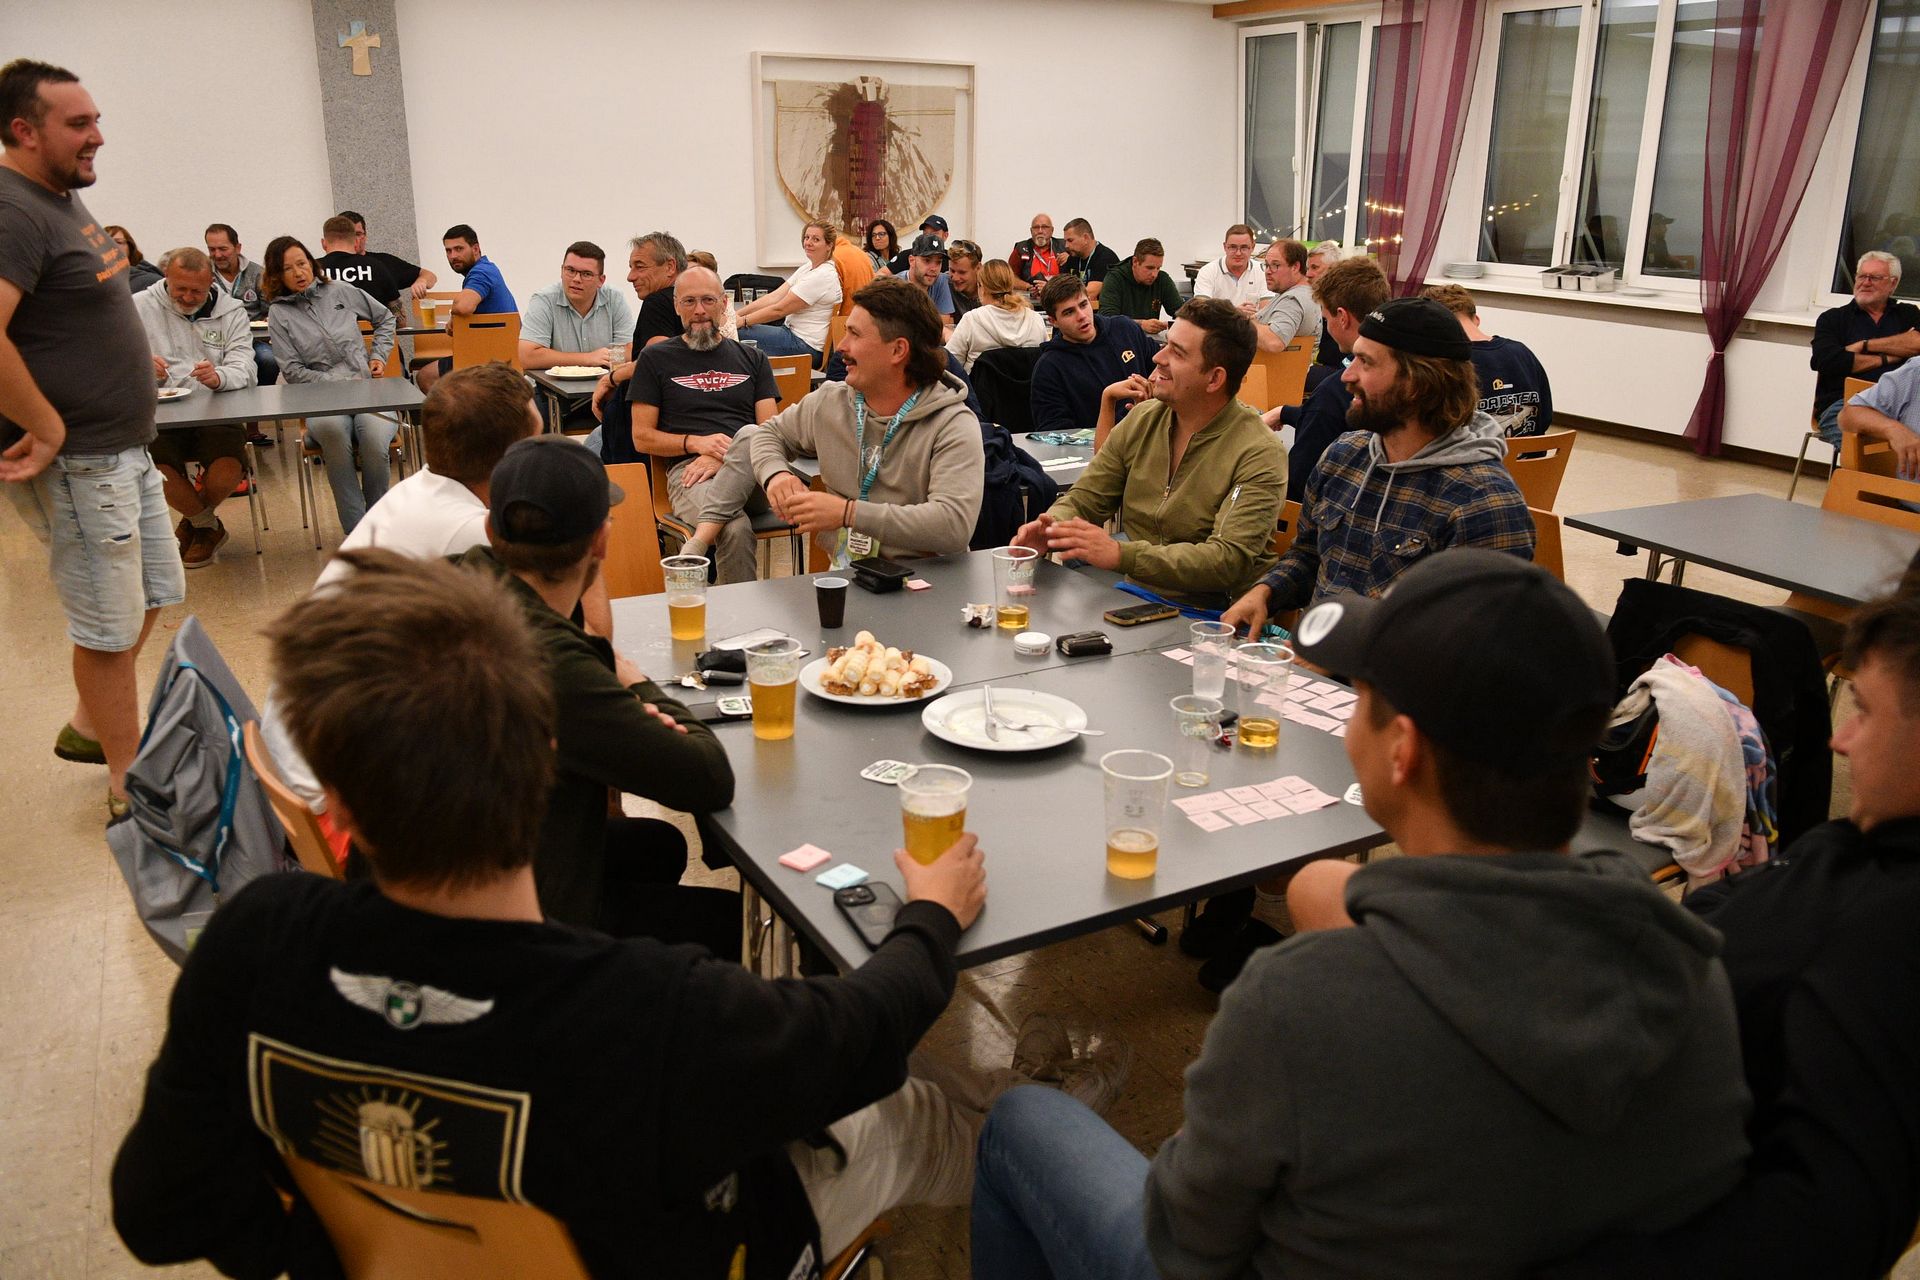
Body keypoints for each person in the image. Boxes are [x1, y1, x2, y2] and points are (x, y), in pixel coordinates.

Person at [110, 546, 998, 1280]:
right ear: (546, 761)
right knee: (921, 1114)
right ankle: (1033, 1141)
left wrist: (355, 1252)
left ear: (335, 805)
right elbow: (867, 1028)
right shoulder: (652, 1011)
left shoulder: (255, 941)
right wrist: (929, 917)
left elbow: (158, 1211)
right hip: (719, 1240)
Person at [972, 548, 1752, 1280]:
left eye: (1359, 697)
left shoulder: (1295, 1003)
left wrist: (1199, 1133)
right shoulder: (1695, 974)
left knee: (1021, 1121)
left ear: (1401, 750)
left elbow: (1185, 1242)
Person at [1544, 572, 1920, 1278]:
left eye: (1866, 712)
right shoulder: (1851, 851)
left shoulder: (1878, 943)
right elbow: (1728, 914)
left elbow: (1825, 1220)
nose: (1840, 742)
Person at [456, 436, 739, 946]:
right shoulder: (553, 663)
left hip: (457, 856)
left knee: (659, 845)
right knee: (732, 922)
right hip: (519, 921)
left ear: (490, 528)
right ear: (601, 542)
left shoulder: (459, 580)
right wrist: (632, 681)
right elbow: (708, 777)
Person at [0, 59, 184, 814]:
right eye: (78, 124)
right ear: (24, 130)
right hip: (80, 461)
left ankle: (88, 724)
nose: (97, 136)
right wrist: (45, 424)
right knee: (107, 629)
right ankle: (126, 783)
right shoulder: (12, 211)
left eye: (96, 120)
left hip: (123, 448)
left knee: (158, 591)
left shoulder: (59, 198)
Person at [1222, 295, 1534, 637]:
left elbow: (1472, 646)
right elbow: (1309, 555)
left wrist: (1342, 655)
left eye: (1366, 363)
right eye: (1353, 358)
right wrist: (1265, 592)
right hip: (1313, 657)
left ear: (1418, 383)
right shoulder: (1344, 455)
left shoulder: (1483, 501)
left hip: (1386, 671)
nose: (1347, 376)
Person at [687, 277, 983, 566]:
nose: (841, 346)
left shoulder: (951, 424)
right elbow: (767, 434)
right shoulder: (832, 401)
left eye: (854, 334)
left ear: (897, 350)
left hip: (927, 584)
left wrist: (848, 513)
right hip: (849, 576)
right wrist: (776, 475)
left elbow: (953, 526)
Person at [1011, 298, 1284, 609]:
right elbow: (1088, 496)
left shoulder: (1258, 452)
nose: (1157, 357)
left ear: (1214, 379)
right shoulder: (1144, 418)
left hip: (1216, 618)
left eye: (1177, 352)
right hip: (1138, 602)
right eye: (1166, 344)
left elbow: (1226, 560)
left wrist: (1120, 554)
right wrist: (1052, 526)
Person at [633, 265, 779, 584]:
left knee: (752, 433)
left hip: (751, 476)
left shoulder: (754, 359)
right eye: (689, 301)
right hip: (689, 474)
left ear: (724, 304)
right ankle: (738, 615)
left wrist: (724, 457)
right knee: (734, 527)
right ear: (676, 306)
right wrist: (696, 443)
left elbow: (771, 435)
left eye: (708, 300)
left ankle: (696, 546)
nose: (699, 310)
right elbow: (641, 437)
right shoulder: (655, 359)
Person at [262, 234, 400, 535]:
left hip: (365, 392)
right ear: (276, 275)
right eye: (288, 268)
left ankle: (377, 526)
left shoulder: (339, 291)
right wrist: (336, 381)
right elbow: (292, 370)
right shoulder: (279, 313)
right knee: (335, 438)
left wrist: (378, 355)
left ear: (312, 263)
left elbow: (385, 318)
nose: (298, 273)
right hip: (321, 400)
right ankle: (357, 534)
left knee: (375, 439)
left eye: (302, 263)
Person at [133, 246, 256, 566]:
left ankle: (194, 523)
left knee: (228, 465)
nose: (187, 297)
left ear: (210, 283)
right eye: (180, 289)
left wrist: (220, 376)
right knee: (153, 468)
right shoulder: (138, 306)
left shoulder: (231, 311)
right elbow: (113, 362)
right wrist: (141, 368)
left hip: (216, 408)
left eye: (196, 291)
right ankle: (207, 526)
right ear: (166, 277)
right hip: (161, 411)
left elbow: (247, 366)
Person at [1266, 254, 1390, 502]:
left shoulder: (1336, 391)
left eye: (1326, 317)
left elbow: (1296, 489)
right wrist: (1285, 412)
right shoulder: (1397, 375)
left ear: (1342, 317)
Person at [1809, 249, 1920, 446]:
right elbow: (1827, 361)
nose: (1865, 282)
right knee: (1869, 450)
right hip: (1844, 404)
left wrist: (1865, 345)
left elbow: (1916, 344)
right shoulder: (1833, 319)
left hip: (1899, 403)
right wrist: (1887, 357)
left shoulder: (1908, 314)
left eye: (1875, 277)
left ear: (1893, 283)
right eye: (1862, 276)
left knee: (1909, 443)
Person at [1030, 274, 1161, 435]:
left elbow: (1164, 366)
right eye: (1069, 312)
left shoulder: (1125, 329)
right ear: (1053, 321)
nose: (1081, 316)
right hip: (1099, 446)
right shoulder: (1049, 367)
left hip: (1151, 431)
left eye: (1083, 305)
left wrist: (1154, 389)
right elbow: (1055, 434)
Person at [1422, 283, 1554, 438]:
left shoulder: (1445, 363)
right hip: (1531, 453)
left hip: (1472, 453)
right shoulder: (1523, 352)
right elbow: (1544, 418)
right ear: (1477, 319)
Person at [592, 232, 687, 445]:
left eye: (640, 267)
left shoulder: (656, 302)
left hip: (644, 427)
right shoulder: (691, 306)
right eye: (631, 267)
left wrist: (611, 378)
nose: (630, 276)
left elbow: (659, 357)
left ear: (670, 267)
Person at [518, 240, 635, 396]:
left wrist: (604, 359)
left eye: (586, 274)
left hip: (603, 388)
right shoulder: (544, 300)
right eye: (570, 270)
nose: (576, 279)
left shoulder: (614, 298)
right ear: (561, 271)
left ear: (601, 280)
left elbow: (629, 350)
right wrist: (587, 359)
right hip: (549, 392)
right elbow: (527, 356)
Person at [415, 223, 517, 393]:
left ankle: (461, 411)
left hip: (488, 360)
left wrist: (453, 316)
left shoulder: (481, 272)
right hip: (501, 354)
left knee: (426, 376)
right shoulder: (487, 269)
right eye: (448, 251)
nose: (453, 256)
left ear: (475, 249)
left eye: (459, 249)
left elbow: (463, 306)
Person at [736, 220, 841, 366]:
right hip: (791, 334)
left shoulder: (822, 275)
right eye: (806, 237)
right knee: (732, 329)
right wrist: (736, 315)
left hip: (806, 346)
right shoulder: (808, 268)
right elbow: (774, 296)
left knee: (734, 333)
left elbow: (779, 310)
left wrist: (742, 321)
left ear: (829, 245)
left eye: (816, 239)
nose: (808, 243)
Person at [313, 212, 432, 312]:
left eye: (358, 234)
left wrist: (421, 280)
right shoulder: (376, 265)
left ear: (365, 236)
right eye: (349, 235)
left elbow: (429, 276)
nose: (355, 239)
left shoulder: (383, 261)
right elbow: (399, 318)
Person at [203, 222, 274, 388]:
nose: (217, 255)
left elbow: (270, 310)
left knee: (269, 359)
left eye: (223, 249)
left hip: (252, 339)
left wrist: (267, 318)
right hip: (212, 338)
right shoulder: (203, 274)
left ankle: (260, 398)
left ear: (237, 248)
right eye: (212, 249)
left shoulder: (258, 273)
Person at [945, 259, 1047, 373]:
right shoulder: (1035, 319)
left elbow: (949, 366)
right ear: (1011, 286)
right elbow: (1044, 363)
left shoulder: (972, 320)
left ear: (982, 287)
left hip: (979, 384)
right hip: (1028, 384)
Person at [1098, 238, 1185, 337]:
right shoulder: (1115, 278)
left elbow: (1183, 313)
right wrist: (1140, 324)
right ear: (1135, 262)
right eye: (1150, 268)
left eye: (1158, 268)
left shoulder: (1162, 279)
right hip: (1119, 338)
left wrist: (1171, 325)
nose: (1154, 274)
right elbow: (1108, 319)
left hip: (1149, 340)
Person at [1252, 237, 1318, 352]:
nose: (1268, 271)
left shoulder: (1292, 300)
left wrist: (1244, 322)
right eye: (1266, 265)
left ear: (1295, 267)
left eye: (1275, 265)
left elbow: (1274, 342)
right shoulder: (1302, 294)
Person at [1192, 224, 1268, 312]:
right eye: (1233, 247)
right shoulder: (1208, 271)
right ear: (1225, 247)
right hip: (1219, 321)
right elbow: (1201, 310)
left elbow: (1267, 309)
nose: (1238, 253)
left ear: (1253, 247)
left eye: (1244, 247)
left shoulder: (1263, 271)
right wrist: (1235, 313)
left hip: (1253, 320)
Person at [895, 231, 957, 325]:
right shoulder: (895, 287)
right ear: (912, 261)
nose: (934, 269)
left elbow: (942, 325)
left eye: (938, 262)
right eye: (927, 260)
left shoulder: (940, 281)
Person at [1306, 240, 1345, 372]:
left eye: (1315, 267)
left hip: (1339, 369)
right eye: (1308, 268)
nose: (1308, 274)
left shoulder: (1343, 301)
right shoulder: (1315, 298)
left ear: (1333, 269)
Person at [1061, 218, 1120, 305]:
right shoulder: (1073, 257)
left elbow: (1090, 294)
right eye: (1065, 241)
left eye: (1070, 240)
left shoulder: (1105, 257)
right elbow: (1060, 287)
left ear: (1086, 238)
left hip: (1103, 310)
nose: (1066, 245)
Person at [1010, 213, 1067, 297]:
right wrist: (1028, 287)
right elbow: (1010, 276)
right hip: (1031, 298)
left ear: (1052, 230)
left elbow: (1077, 275)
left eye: (1044, 227)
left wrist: (1071, 258)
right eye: (1036, 227)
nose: (1040, 231)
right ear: (1031, 231)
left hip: (1060, 297)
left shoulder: (1065, 246)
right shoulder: (1021, 248)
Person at [105, 223, 161, 293]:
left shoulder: (152, 282)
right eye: (105, 242)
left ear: (130, 247)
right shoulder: (94, 281)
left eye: (118, 242)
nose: (111, 246)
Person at [947, 239, 985, 318]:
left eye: (962, 272)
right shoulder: (943, 284)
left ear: (978, 268)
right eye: (952, 271)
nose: (955, 278)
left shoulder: (992, 290)